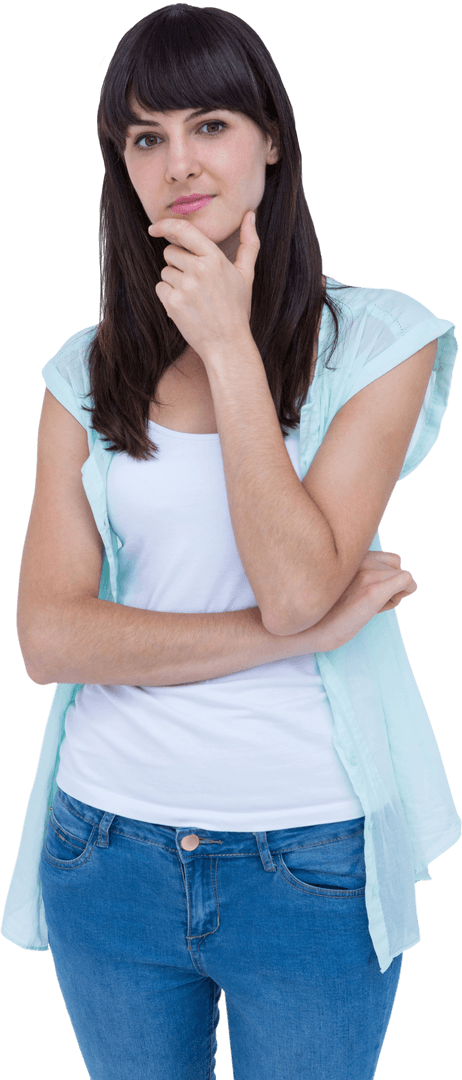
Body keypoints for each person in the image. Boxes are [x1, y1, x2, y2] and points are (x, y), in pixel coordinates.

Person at [1, 5, 460, 1079]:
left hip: (307, 859)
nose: (178, 162)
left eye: (210, 124)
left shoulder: (382, 344)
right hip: (105, 847)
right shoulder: (82, 372)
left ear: (273, 140)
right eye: (146, 137)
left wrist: (228, 345)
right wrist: (278, 636)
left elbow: (302, 585)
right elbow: (48, 641)